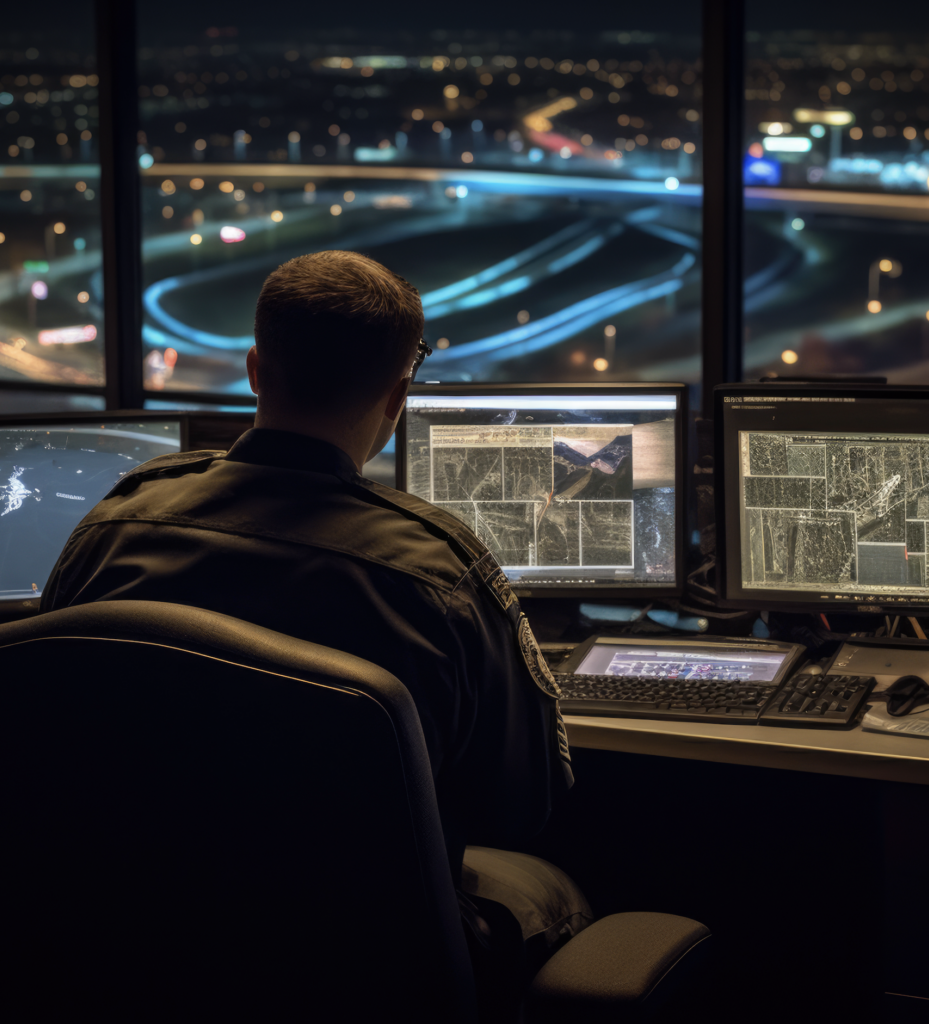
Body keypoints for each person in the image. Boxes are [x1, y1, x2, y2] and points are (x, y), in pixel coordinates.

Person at [41, 250, 591, 1010]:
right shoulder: (441, 576)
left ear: (256, 370)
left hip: (132, 942)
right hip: (361, 967)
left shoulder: (111, 530)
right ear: (398, 396)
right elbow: (519, 806)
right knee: (552, 890)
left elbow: (43, 740)